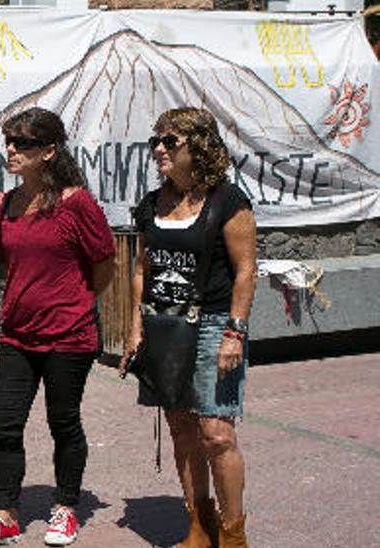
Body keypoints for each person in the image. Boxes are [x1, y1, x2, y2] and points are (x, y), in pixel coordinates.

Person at [0, 108, 115, 548]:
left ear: (48, 151)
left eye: (22, 143)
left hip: (70, 336)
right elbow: (9, 264)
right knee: (3, 426)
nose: (12, 150)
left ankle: (65, 508)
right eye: (9, 142)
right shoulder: (3, 205)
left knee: (64, 422)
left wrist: (78, 303)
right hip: (17, 336)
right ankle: (4, 515)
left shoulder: (75, 202)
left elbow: (103, 265)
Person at [120, 107, 256, 548]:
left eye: (170, 141)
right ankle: (200, 525)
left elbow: (246, 271)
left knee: (216, 433)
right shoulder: (151, 204)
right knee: (181, 428)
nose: (158, 148)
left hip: (215, 322)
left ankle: (234, 536)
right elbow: (143, 270)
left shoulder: (228, 200)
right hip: (165, 326)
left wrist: (235, 333)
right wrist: (135, 328)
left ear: (198, 146)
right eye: (155, 141)